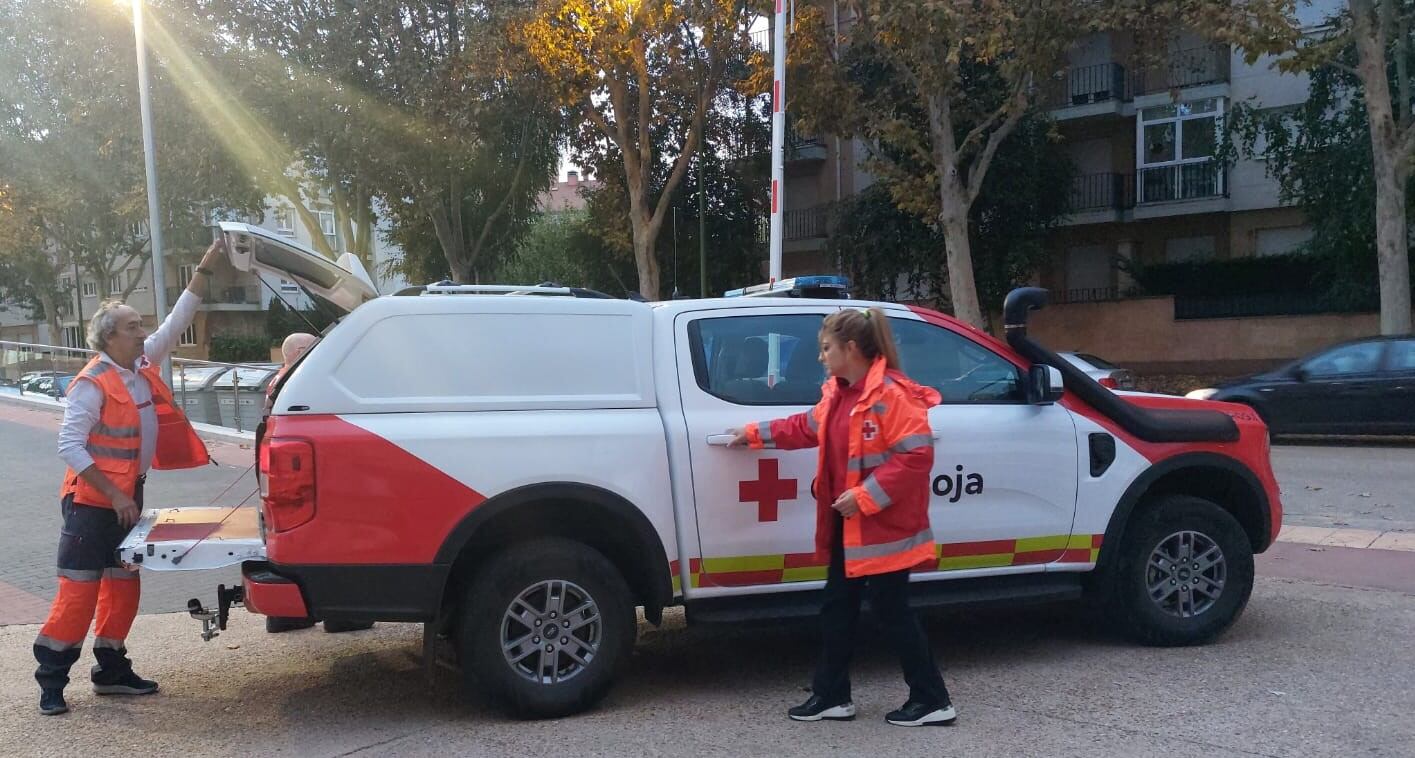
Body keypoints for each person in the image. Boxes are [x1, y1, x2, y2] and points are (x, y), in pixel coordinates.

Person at [728, 307, 957, 727]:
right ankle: (833, 695)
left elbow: (917, 457)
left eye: (826, 348)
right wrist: (756, 433)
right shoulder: (839, 392)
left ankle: (932, 699)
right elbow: (806, 426)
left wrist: (865, 496)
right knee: (838, 608)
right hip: (849, 522)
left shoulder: (891, 394)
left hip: (881, 526)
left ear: (850, 349)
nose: (821, 357)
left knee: (892, 612)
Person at [35, 240, 228, 716]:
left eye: (141, 325)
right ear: (109, 338)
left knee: (123, 589)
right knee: (78, 596)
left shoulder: (140, 366)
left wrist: (204, 268)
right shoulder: (91, 384)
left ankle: (110, 670)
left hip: (125, 501)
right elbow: (68, 447)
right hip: (90, 505)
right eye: (132, 326)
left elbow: (177, 320)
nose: (143, 332)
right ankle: (52, 682)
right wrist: (118, 493)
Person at [261, 331, 373, 636]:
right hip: (321, 477)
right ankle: (343, 616)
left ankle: (287, 616)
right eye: (315, 348)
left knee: (289, 545)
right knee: (340, 542)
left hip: (288, 478)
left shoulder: (280, 382)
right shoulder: (305, 385)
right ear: (298, 352)